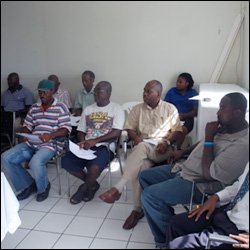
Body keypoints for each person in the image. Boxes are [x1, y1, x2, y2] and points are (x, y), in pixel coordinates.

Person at [139, 92, 249, 248]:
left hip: (199, 183)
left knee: (150, 196)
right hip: (184, 169)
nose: (218, 112)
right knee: (145, 176)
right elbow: (202, 143)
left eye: (223, 108)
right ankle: (161, 216)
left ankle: (164, 241)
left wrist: (210, 138)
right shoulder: (226, 127)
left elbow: (209, 174)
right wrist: (183, 152)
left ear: (237, 113)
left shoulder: (242, 144)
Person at [99, 80, 183, 230]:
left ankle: (118, 187)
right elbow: (130, 129)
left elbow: (177, 130)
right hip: (143, 147)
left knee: (141, 149)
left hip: (163, 149)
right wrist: (137, 139)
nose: (144, 94)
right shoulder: (137, 109)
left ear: (158, 93)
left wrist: (168, 143)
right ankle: (137, 210)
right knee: (139, 169)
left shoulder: (170, 109)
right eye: (144, 90)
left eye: (148, 91)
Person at [1, 80, 71, 202]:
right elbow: (27, 125)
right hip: (32, 142)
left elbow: (65, 129)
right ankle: (28, 185)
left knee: (35, 162)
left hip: (51, 144)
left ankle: (43, 188)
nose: (42, 95)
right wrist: (24, 133)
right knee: (6, 157)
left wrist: (51, 135)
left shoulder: (60, 107)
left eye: (45, 92)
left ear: (52, 92)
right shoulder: (34, 107)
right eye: (40, 92)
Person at [61, 81, 125, 204]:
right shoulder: (88, 109)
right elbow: (80, 130)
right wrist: (83, 142)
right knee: (66, 162)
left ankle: (83, 188)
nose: (95, 94)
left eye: (99, 91)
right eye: (95, 92)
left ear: (109, 93)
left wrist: (94, 141)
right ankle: (93, 185)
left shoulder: (117, 109)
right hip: (87, 144)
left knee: (94, 166)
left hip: (105, 146)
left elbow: (116, 133)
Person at [166, 162, 249, 249]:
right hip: (226, 213)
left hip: (238, 231)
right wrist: (216, 197)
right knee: (176, 223)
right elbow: (240, 185)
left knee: (177, 246)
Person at [164, 72, 198, 149]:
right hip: (172, 117)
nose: (177, 84)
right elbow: (165, 107)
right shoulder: (172, 91)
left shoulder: (193, 93)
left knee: (182, 130)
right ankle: (167, 147)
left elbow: (195, 111)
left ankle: (177, 149)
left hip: (187, 118)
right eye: (177, 81)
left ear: (187, 84)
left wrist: (182, 115)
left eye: (180, 82)